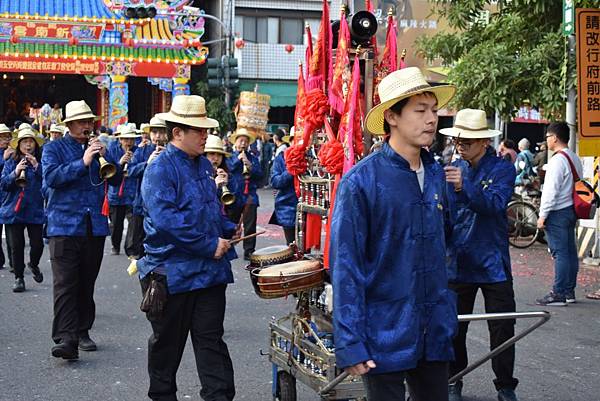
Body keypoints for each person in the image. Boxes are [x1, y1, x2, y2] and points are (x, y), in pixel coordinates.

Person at [330, 67, 457, 401]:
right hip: (383, 329)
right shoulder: (361, 182)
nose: (431, 119)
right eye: (420, 111)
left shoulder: (435, 174)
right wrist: (350, 340)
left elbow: (447, 241)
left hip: (433, 329)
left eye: (433, 110)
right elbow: (346, 264)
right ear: (392, 117)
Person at [137, 95, 238, 401]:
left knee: (211, 342)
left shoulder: (206, 165)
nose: (205, 135)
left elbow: (210, 211)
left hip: (208, 273)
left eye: (205, 129)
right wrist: (209, 244)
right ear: (177, 132)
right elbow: (166, 219)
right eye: (198, 130)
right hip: (171, 273)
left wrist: (229, 230)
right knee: (167, 345)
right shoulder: (160, 168)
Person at [440, 109, 519, 401]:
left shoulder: (502, 168)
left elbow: (496, 204)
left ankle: (506, 385)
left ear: (484, 141)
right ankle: (453, 380)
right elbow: (446, 215)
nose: (461, 145)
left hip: (492, 262)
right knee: (454, 328)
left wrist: (464, 185)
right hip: (457, 261)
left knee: (502, 327)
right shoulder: (448, 168)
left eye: (468, 141)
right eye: (458, 140)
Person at [42, 100, 122, 360]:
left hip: (94, 226)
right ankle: (66, 338)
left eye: (90, 121)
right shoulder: (53, 149)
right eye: (82, 122)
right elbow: (52, 178)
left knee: (86, 282)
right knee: (65, 283)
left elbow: (117, 179)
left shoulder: (100, 147)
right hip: (63, 225)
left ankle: (82, 329)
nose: (88, 126)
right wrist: (83, 161)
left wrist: (105, 158)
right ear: (69, 125)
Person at [536, 121, 582, 306]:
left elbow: (550, 191)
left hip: (557, 211)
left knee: (560, 253)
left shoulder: (557, 160)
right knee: (570, 252)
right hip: (571, 210)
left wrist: (542, 215)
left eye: (547, 137)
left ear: (554, 138)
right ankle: (569, 291)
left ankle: (559, 293)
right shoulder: (573, 157)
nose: (547, 140)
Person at [0, 126, 45, 292]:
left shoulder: (41, 161)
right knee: (16, 246)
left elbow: (50, 181)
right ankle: (19, 278)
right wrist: (16, 172)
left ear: (35, 144)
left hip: (35, 210)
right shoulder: (11, 161)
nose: (28, 145)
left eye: (30, 141)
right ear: (18, 145)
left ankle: (33, 264)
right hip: (14, 211)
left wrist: (37, 167)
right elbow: (3, 184)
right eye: (24, 142)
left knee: (38, 245)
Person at [127, 116, 167, 260]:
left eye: (161, 132)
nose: (158, 136)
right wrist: (147, 163)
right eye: (154, 132)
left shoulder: (172, 152)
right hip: (142, 203)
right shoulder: (142, 151)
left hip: (164, 206)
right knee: (139, 243)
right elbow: (130, 171)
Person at [227, 127, 263, 260]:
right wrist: (238, 160)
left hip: (250, 196)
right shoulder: (229, 157)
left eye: (246, 141)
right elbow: (228, 169)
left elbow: (260, 176)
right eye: (241, 141)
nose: (243, 144)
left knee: (250, 225)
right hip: (234, 195)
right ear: (235, 142)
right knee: (231, 223)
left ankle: (249, 251)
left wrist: (249, 165)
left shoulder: (253, 158)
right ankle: (228, 247)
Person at [107, 124, 140, 256]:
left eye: (131, 139)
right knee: (116, 225)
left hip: (132, 193)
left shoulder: (138, 151)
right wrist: (120, 163)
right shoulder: (113, 150)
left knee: (133, 223)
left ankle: (130, 248)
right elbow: (109, 170)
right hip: (116, 193)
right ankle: (115, 245)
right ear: (120, 140)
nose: (129, 142)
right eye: (126, 139)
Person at [269, 130, 298, 245]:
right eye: (295, 139)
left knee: (306, 250)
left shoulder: (311, 157)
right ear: (290, 141)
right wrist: (290, 171)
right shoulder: (281, 159)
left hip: (307, 211)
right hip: (288, 208)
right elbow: (275, 182)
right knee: (292, 247)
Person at [204, 134, 234, 209]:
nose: (216, 158)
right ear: (204, 155)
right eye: (212, 154)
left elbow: (235, 203)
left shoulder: (226, 174)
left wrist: (229, 184)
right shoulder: (197, 174)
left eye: (219, 155)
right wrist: (214, 186)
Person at [0, 124, 14, 271]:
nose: (5, 140)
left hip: (9, 197)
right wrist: (3, 160)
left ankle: (13, 262)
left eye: (7, 137)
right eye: (2, 137)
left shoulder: (13, 152)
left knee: (11, 234)